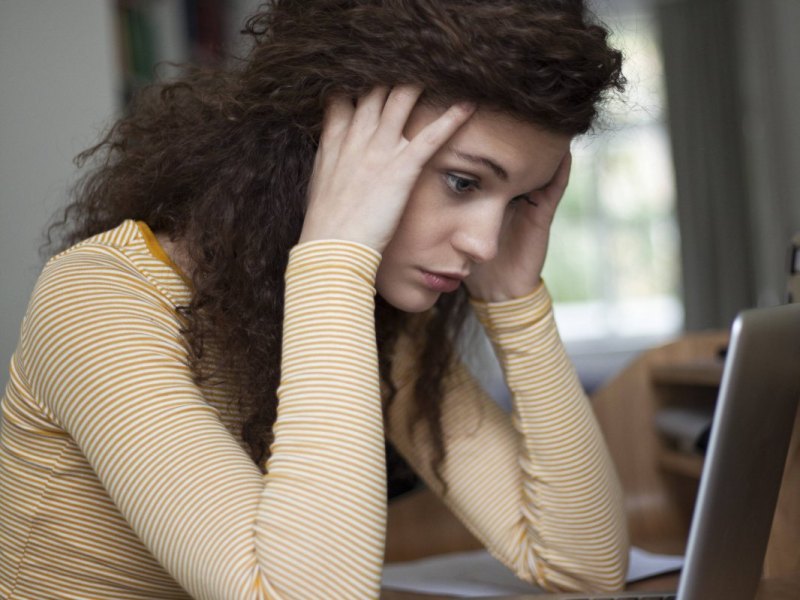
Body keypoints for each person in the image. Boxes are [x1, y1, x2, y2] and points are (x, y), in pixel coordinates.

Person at [0, 1, 629, 598]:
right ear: (329, 141)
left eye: (519, 199)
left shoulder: (377, 320)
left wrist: (515, 298)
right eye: (463, 182)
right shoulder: (99, 298)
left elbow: (585, 563)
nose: (486, 244)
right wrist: (334, 251)